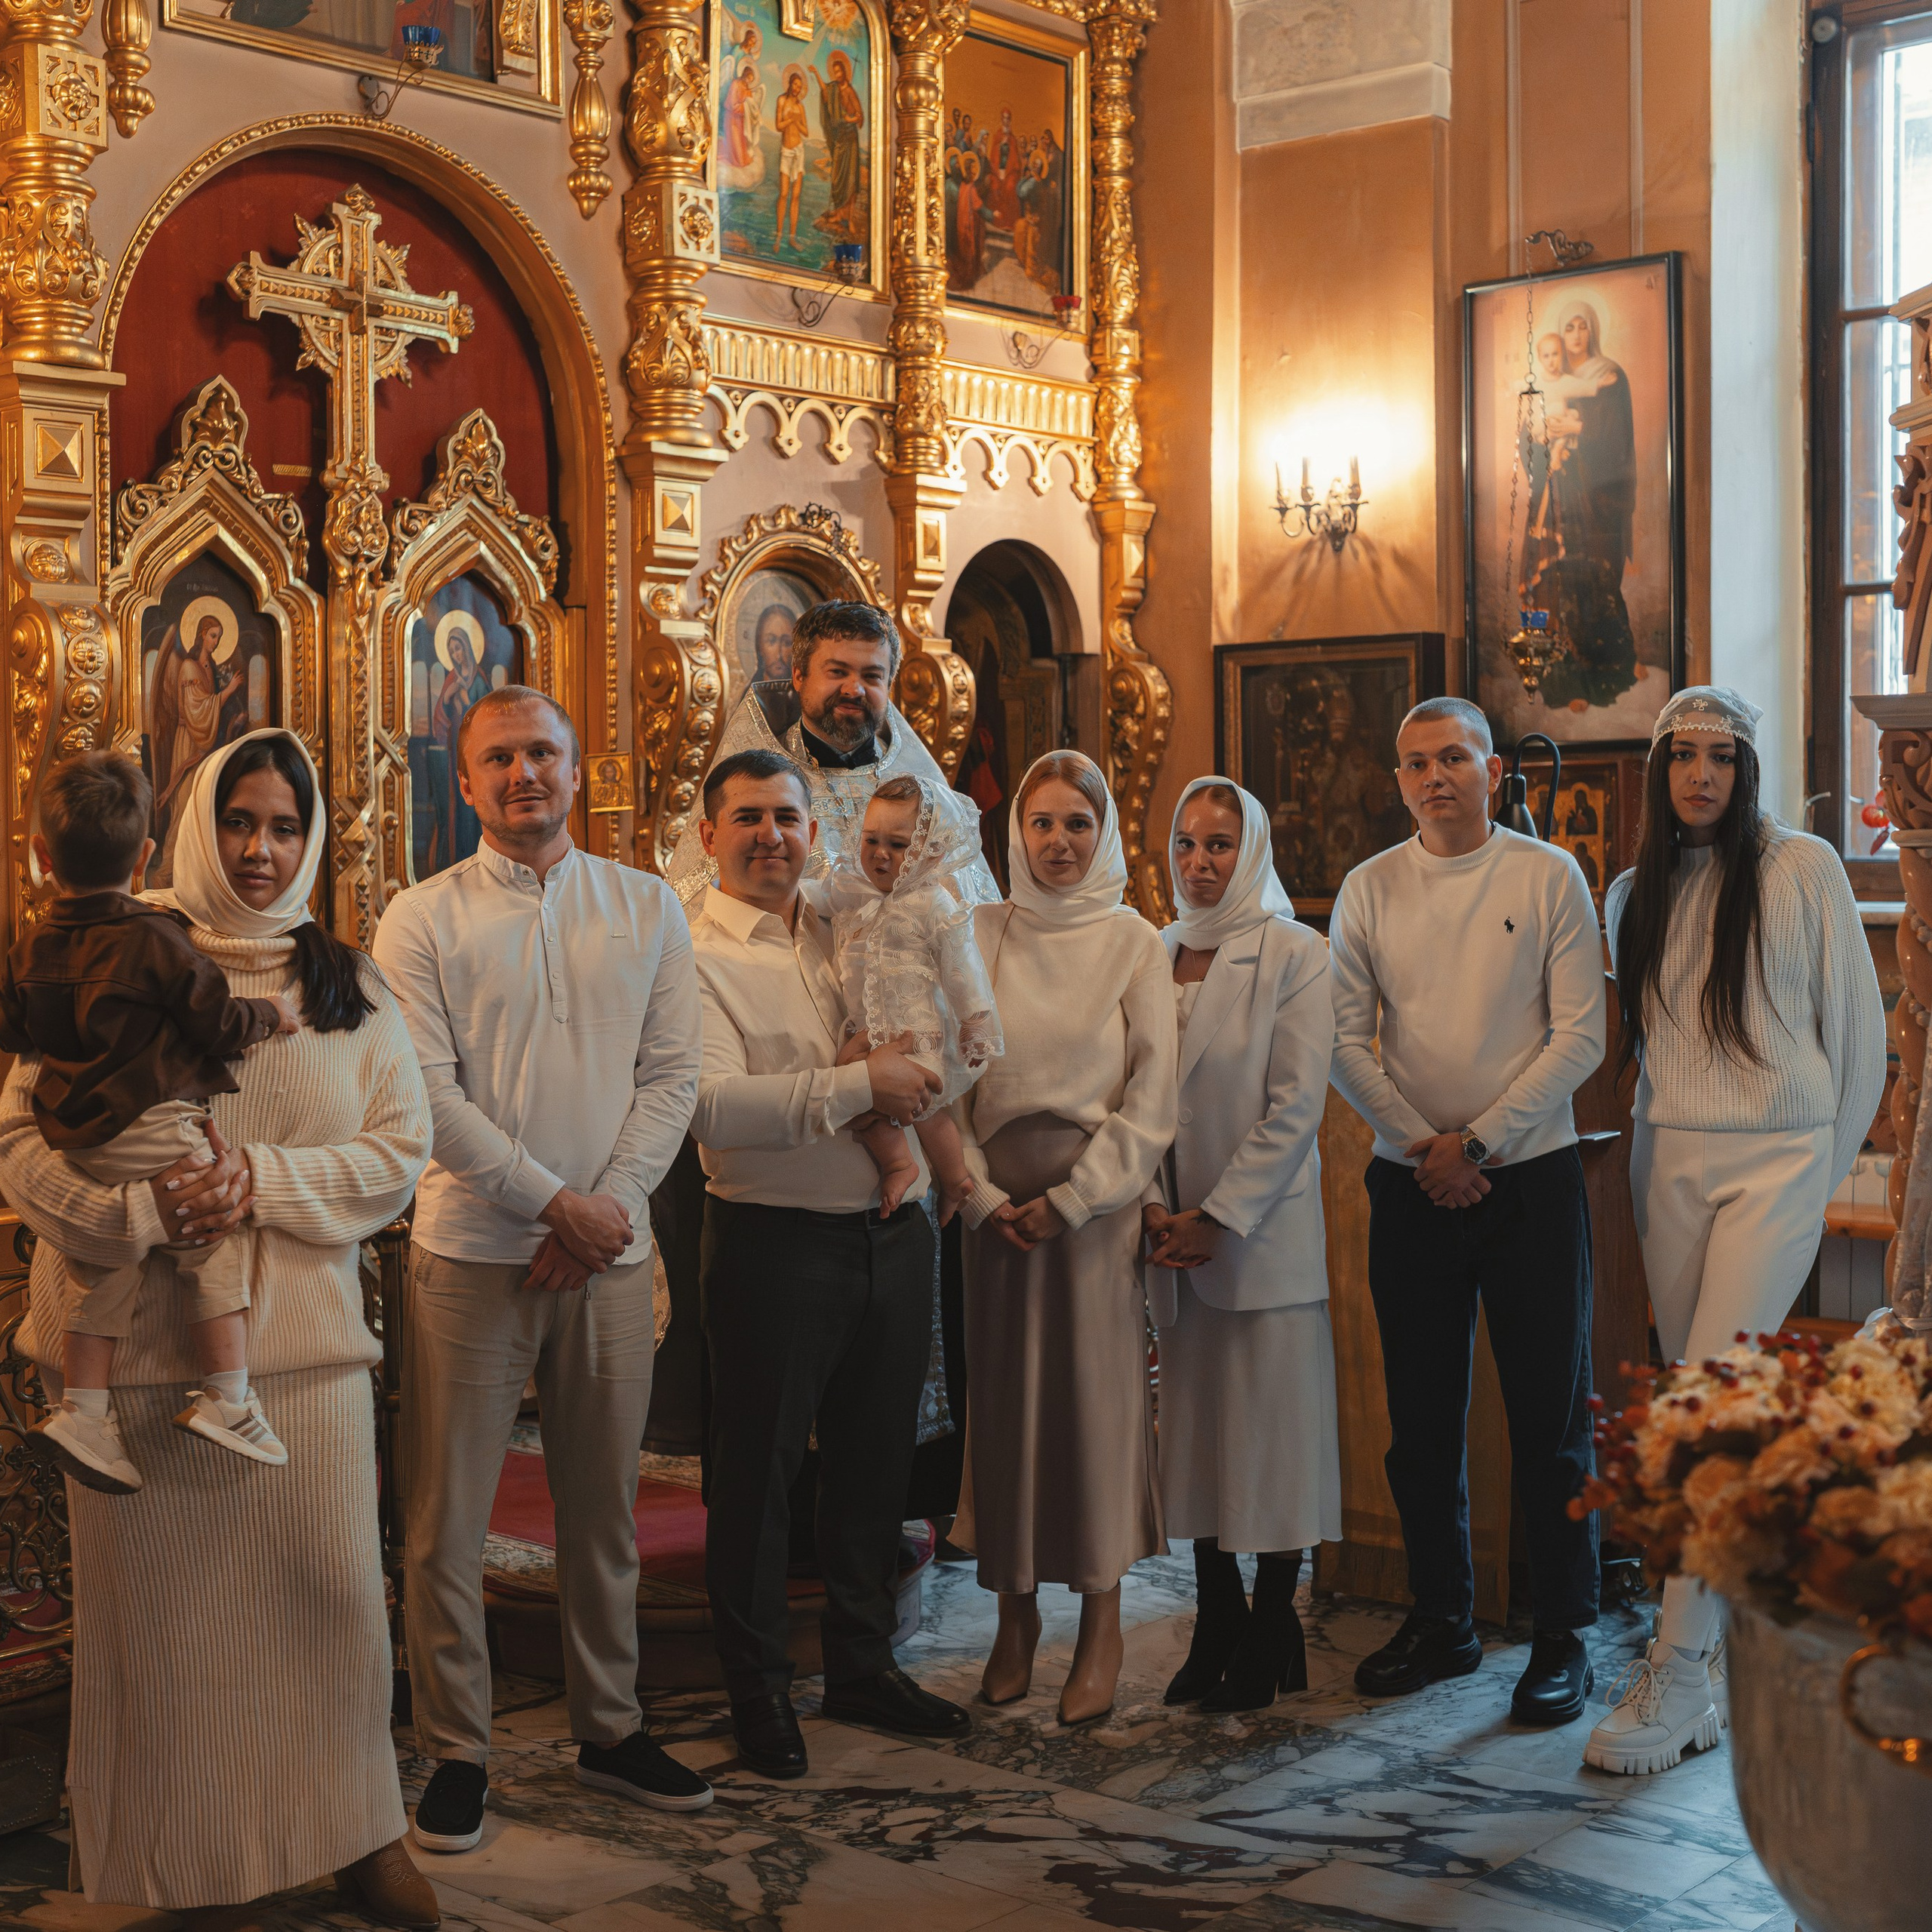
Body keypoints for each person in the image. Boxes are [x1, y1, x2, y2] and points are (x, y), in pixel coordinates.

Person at [0, 727, 438, 1924]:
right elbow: (18, 1146)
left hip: (303, 1366)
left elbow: (398, 1156)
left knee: (335, 1613)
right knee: (161, 1651)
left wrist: (260, 1185)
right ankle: (160, 1862)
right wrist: (137, 1209)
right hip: (131, 1379)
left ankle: (358, 1831)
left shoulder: (351, 985)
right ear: (190, 823)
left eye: (284, 827)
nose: (259, 849)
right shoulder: (111, 949)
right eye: (238, 821)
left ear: (313, 841)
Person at [372, 685, 711, 1854]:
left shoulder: (648, 903)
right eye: (500, 758)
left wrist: (605, 1210)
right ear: (463, 783)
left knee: (602, 1510)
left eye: (545, 754)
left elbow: (674, 1076)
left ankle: (609, 1728)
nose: (526, 774)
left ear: (577, 771)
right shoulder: (419, 918)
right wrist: (551, 1204)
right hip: (472, 1250)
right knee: (447, 1517)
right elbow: (425, 1097)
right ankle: (457, 1750)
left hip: (610, 1254)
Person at [1585, 686, 1885, 1775]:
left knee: (1711, 1402)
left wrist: (1816, 1163)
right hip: (1669, 1157)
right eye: (1680, 757)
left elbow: (1859, 1037)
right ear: (1659, 773)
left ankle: (1676, 1670)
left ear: (1745, 769)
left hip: (1782, 1155)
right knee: (1692, 1410)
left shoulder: (1803, 868)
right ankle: (1712, 1662)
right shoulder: (1633, 890)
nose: (1700, 775)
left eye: (1719, 756)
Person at [688, 746, 973, 1777]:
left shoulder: (854, 912)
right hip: (773, 1241)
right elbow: (711, 1107)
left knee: (871, 1466)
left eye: (790, 818)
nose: (773, 835)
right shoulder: (694, 953)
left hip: (891, 1234)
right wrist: (858, 1087)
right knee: (758, 1477)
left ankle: (861, 1663)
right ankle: (757, 1688)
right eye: (750, 817)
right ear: (711, 833)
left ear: (816, 830)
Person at [1328, 696, 1605, 1726]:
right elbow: (1344, 1042)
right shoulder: (1368, 890)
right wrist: (1424, 1147)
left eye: (1454, 757)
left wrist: (1477, 1144)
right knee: (1422, 1422)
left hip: (1530, 1180)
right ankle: (1443, 1620)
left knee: (1549, 1415)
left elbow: (1580, 1036)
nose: (1435, 776)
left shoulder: (1547, 877)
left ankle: (1563, 1638)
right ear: (1396, 780)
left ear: (1493, 771)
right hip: (1412, 1184)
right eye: (1414, 763)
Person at [3, 752, 300, 1494]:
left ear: (43, 857)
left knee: (101, 1265)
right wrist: (274, 1012)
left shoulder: (31, 945)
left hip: (78, 1136)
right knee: (210, 1234)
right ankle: (228, 1396)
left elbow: (15, 1032)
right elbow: (221, 1024)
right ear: (144, 857)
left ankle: (84, 1409)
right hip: (150, 1121)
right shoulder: (158, 938)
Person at [955, 750, 1177, 1725]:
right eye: (1040, 824)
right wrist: (974, 1194)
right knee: (1003, 1416)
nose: (1057, 843)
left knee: (1092, 1417)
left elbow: (1153, 1097)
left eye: (1076, 824)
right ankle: (1013, 1620)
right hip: (995, 1210)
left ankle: (1101, 1624)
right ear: (1017, 834)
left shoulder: (1135, 941)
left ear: (1106, 833)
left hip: (1092, 1209)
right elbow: (950, 1077)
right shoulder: (979, 930)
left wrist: (1081, 1200)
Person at [1146, 777, 1340, 1713]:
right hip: (1168, 1243)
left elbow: (1295, 1105)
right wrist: (1151, 1207)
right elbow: (1131, 1097)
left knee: (1270, 1441)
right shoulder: (1150, 952)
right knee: (1197, 1445)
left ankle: (1272, 1621)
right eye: (1185, 843)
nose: (1199, 860)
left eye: (1219, 844)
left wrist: (1215, 1216)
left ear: (1250, 849)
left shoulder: (1294, 951)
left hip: (1257, 1239)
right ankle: (1214, 1614)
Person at [830, 774, 1001, 1220]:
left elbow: (962, 966)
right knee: (856, 1100)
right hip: (868, 1034)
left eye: (899, 844)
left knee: (927, 1110)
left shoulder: (933, 903)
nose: (881, 854)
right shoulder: (856, 897)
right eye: (871, 840)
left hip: (915, 1031)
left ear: (934, 852)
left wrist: (975, 1019)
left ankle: (954, 1178)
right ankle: (901, 1163)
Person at [812, 51, 864, 238]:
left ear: (845, 72)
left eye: (839, 72)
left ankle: (848, 218)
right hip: (840, 140)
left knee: (850, 180)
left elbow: (860, 117)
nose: (837, 75)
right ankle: (838, 213)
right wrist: (816, 74)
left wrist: (850, 118)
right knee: (837, 179)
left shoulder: (849, 92)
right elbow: (825, 91)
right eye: (834, 72)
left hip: (850, 140)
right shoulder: (833, 89)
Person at [774, 70, 809, 248]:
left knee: (795, 197)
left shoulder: (800, 106)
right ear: (790, 84)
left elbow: (806, 132)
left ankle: (792, 237)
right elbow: (779, 126)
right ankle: (779, 235)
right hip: (786, 151)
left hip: (799, 152)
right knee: (783, 194)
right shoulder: (782, 100)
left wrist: (796, 121)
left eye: (800, 87)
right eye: (795, 85)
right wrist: (790, 120)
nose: (797, 89)